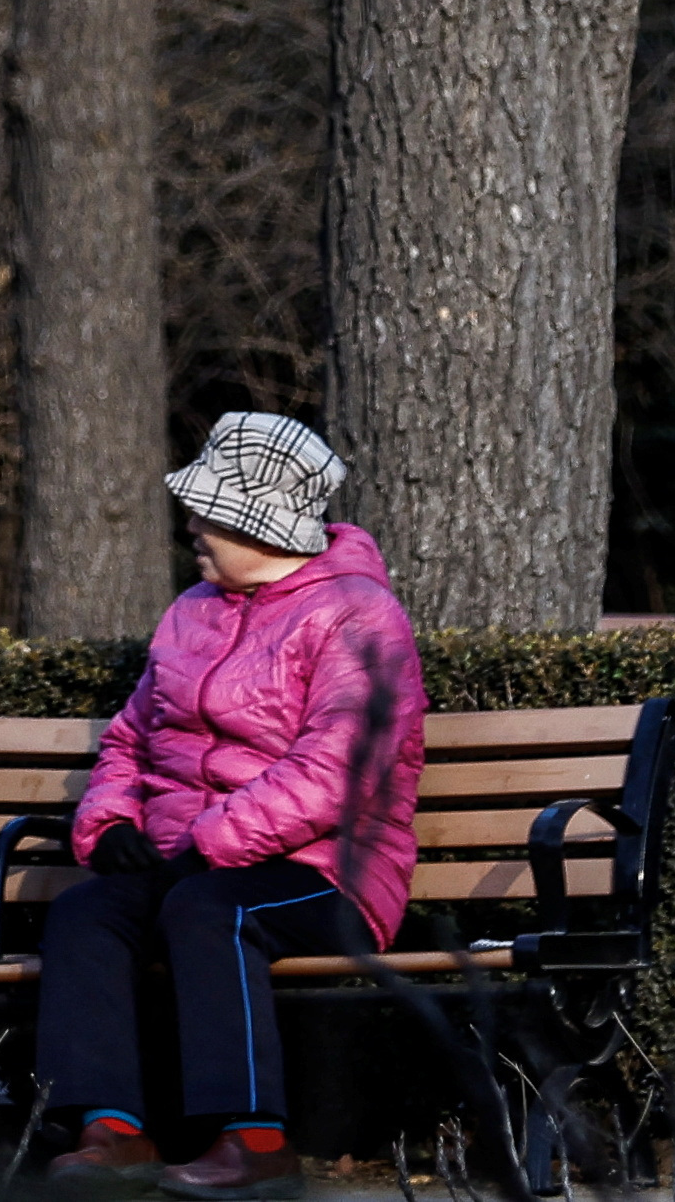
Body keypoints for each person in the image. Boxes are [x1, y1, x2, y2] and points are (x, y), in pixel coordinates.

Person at [34, 413, 428, 1199]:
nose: (193, 528)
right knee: (88, 912)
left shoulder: (357, 612)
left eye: (209, 513)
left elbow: (338, 767)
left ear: (262, 523)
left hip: (328, 867)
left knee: (214, 910)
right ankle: (113, 1128)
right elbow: (130, 738)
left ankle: (255, 1139)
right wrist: (108, 820)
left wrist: (210, 841)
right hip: (194, 859)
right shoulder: (191, 610)